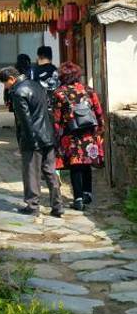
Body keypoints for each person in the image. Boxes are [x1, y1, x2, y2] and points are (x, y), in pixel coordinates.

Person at [0, 66, 64, 217]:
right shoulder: (37, 85)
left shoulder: (18, 92)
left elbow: (24, 120)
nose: (5, 87)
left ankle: (33, 206)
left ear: (12, 79)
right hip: (47, 135)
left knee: (31, 173)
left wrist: (27, 141)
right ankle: (58, 205)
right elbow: (48, 110)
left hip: (33, 137)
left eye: (5, 83)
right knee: (50, 172)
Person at [52, 62, 104, 211]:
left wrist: (56, 136)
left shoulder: (59, 93)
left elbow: (56, 119)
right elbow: (98, 112)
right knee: (86, 163)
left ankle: (78, 199)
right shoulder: (88, 90)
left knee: (75, 165)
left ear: (62, 76)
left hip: (71, 134)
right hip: (89, 133)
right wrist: (100, 131)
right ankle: (88, 194)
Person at [30, 46, 60, 112]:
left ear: (39, 56)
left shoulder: (32, 70)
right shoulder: (55, 70)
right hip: (54, 106)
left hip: (37, 106)